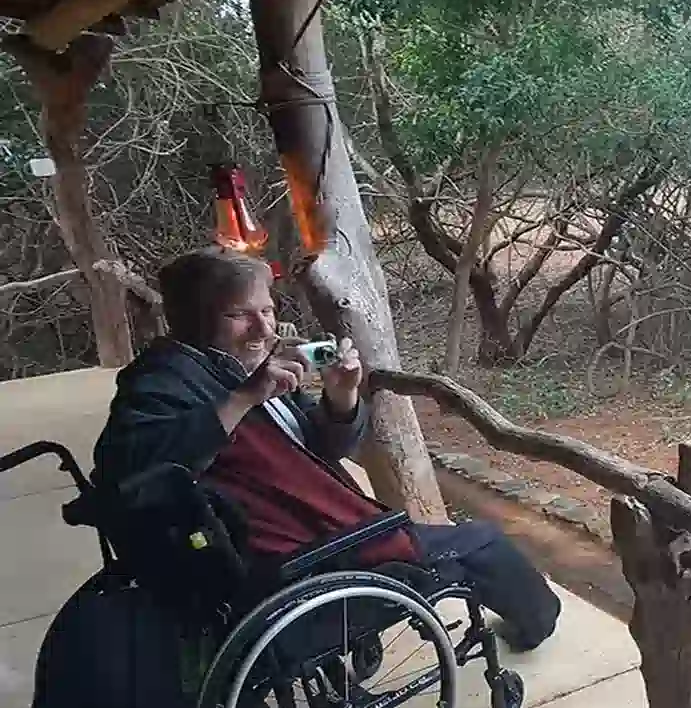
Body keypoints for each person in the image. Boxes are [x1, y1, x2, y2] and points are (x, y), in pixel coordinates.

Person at [91, 245, 560, 652]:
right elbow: (133, 469)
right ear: (194, 320)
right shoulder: (163, 383)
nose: (262, 328)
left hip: (302, 534)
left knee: (460, 538)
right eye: (238, 314)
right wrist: (242, 400)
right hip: (297, 559)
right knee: (482, 541)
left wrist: (341, 397)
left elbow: (323, 450)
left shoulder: (243, 366)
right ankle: (539, 624)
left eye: (268, 310)